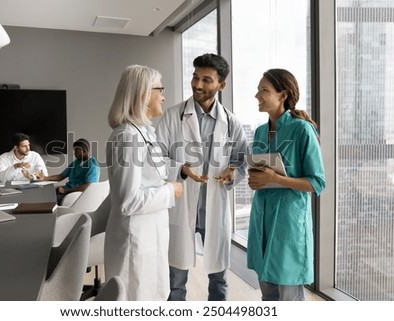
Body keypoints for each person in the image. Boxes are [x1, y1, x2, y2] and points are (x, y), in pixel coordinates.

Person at [155, 53, 248, 301]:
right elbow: (156, 159)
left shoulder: (231, 122)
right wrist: (181, 169)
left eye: (206, 80)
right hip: (181, 206)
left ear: (221, 85)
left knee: (219, 279)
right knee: (175, 280)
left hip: (214, 209)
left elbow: (242, 161)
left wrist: (233, 173)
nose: (197, 84)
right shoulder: (173, 116)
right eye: (195, 77)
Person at [104, 64, 183, 301]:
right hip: (135, 243)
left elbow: (146, 178)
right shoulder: (128, 137)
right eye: (160, 89)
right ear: (143, 94)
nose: (164, 95)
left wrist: (170, 178)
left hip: (149, 238)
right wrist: (171, 191)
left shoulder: (143, 133)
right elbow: (128, 201)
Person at [246, 68, 326, 301]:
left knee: (289, 299)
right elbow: (260, 174)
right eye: (258, 89)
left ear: (282, 95)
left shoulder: (302, 129)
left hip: (288, 226)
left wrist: (275, 179)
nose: (257, 95)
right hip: (261, 221)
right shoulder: (260, 132)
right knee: (267, 296)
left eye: (264, 90)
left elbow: (317, 182)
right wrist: (256, 180)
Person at [36, 138, 100, 204]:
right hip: (66, 191)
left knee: (48, 201)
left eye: (76, 151)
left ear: (83, 151)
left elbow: (88, 186)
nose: (74, 153)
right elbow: (60, 176)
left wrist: (66, 191)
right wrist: (44, 178)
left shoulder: (93, 165)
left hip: (76, 195)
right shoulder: (77, 162)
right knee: (43, 196)